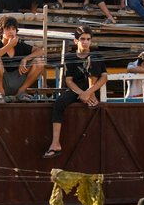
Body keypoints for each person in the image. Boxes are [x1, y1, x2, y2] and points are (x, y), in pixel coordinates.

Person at [45, 25, 107, 158]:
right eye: (82, 39)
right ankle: (55, 143)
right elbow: (69, 81)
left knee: (93, 58)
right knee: (59, 103)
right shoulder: (70, 57)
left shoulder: (96, 55)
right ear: (76, 41)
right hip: (77, 90)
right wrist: (82, 94)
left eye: (88, 39)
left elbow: (104, 77)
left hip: (93, 89)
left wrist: (89, 92)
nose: (85, 42)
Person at [0, 16, 45, 104]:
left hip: (19, 80)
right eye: (8, 28)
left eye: (13, 28)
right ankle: (0, 93)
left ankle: (21, 92)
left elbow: (41, 51)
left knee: (39, 61)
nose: (11, 31)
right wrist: (9, 45)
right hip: (3, 82)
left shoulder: (21, 45)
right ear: (1, 31)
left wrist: (25, 59)